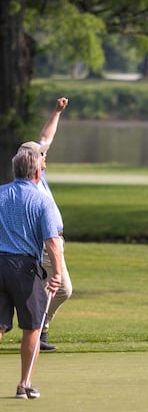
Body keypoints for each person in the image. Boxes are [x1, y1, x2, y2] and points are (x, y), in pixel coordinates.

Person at [0, 149, 63, 399]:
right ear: (38, 172)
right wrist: (57, 273)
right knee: (33, 326)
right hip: (24, 268)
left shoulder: (1, 193)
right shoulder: (41, 199)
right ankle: (24, 383)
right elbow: (52, 241)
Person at [18, 97, 72, 351]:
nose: (45, 156)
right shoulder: (31, 187)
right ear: (33, 161)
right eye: (42, 156)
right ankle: (38, 330)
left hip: (54, 241)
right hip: (44, 243)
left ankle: (39, 330)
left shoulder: (38, 174)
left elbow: (45, 137)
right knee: (62, 288)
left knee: (55, 289)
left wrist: (57, 112)